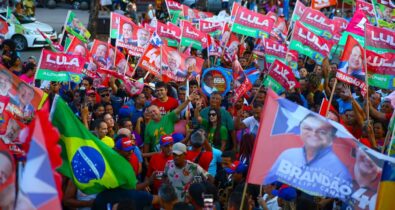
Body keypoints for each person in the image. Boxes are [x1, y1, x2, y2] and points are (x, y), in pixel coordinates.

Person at [265, 113, 352, 199]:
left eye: (321, 131)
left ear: (331, 136)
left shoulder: (338, 165)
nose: (313, 134)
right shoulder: (287, 154)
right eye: (308, 128)